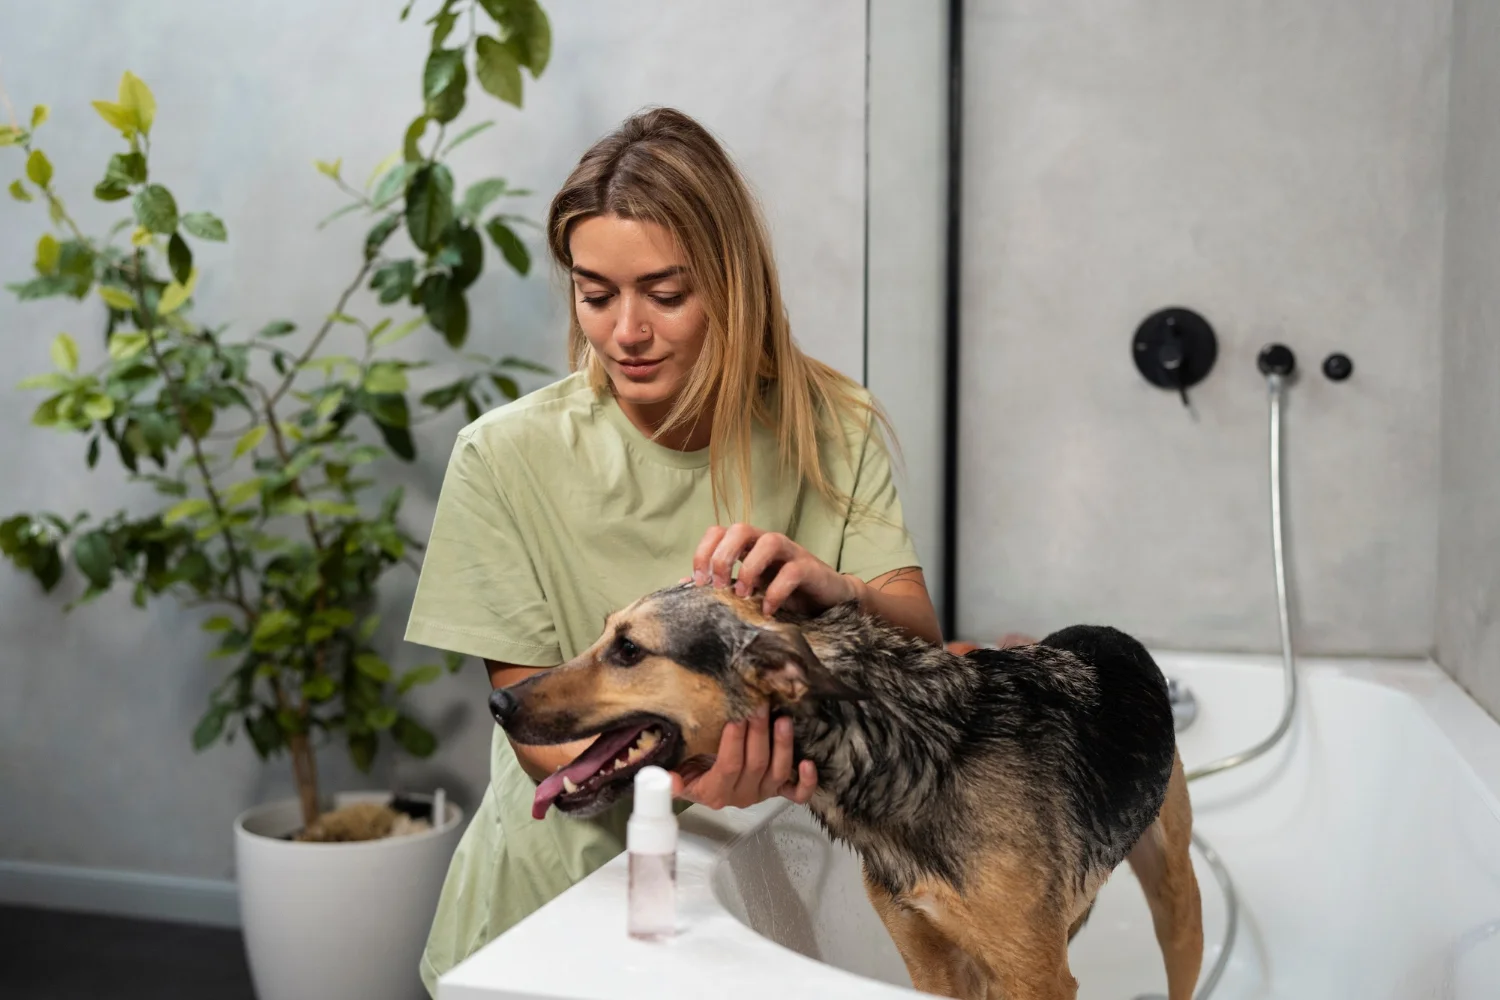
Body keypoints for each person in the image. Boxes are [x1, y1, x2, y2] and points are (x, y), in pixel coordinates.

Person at [404, 106, 942, 995]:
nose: (625, 333)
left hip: (757, 893)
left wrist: (840, 592)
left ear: (731, 284)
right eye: (595, 293)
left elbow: (918, 647)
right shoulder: (503, 456)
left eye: (665, 293)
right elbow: (535, 730)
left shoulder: (830, 428)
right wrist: (692, 768)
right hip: (549, 918)